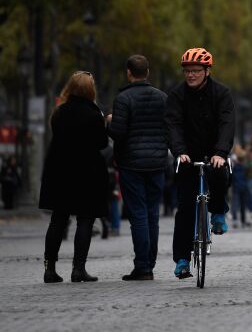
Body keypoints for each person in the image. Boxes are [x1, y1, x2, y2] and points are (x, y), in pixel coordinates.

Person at [166, 48, 235, 279]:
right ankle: (183, 259)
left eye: (196, 71)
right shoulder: (176, 94)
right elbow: (173, 125)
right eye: (187, 71)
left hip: (214, 148)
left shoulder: (222, 93)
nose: (191, 75)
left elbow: (227, 124)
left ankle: (218, 212)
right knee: (185, 207)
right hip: (187, 151)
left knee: (219, 173)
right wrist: (179, 152)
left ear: (207, 71)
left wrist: (221, 152)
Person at [39, 71, 109, 283]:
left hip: (60, 171)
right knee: (85, 220)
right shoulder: (94, 114)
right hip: (87, 172)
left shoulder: (59, 112)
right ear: (90, 90)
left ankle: (49, 268)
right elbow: (102, 144)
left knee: (58, 219)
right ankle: (78, 268)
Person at [107, 54, 168, 281]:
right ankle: (149, 263)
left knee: (138, 214)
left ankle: (142, 266)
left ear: (129, 72)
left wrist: (109, 122)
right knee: (153, 214)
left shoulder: (123, 99)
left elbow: (118, 133)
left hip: (132, 163)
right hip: (157, 163)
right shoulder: (163, 98)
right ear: (148, 72)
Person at [230, 145, 252, 227]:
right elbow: (248, 176)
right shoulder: (245, 167)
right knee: (243, 205)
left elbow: (231, 177)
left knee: (235, 204)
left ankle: (235, 219)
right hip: (244, 187)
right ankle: (243, 221)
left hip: (236, 187)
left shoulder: (234, 167)